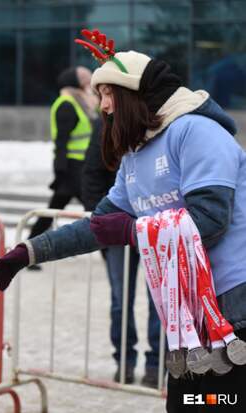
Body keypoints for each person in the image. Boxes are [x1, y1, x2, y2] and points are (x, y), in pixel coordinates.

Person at [0, 43, 246, 412]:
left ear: (133, 94)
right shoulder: (136, 156)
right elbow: (100, 226)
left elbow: (210, 220)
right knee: (188, 405)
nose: (103, 105)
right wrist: (29, 251)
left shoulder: (197, 132)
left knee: (224, 404)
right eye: (99, 94)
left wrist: (131, 231)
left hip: (234, 309)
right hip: (189, 320)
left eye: (108, 93)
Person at [81, 117, 161, 387]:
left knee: (159, 300)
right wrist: (101, 225)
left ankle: (156, 363)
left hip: (156, 227)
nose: (104, 101)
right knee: (120, 299)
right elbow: (91, 172)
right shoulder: (105, 126)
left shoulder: (159, 123)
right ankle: (124, 361)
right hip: (117, 227)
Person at [28, 66, 97, 241]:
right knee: (95, 211)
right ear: (74, 82)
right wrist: (60, 170)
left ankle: (28, 248)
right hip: (72, 168)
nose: (87, 83)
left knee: (52, 211)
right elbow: (62, 141)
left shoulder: (81, 102)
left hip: (79, 166)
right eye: (83, 79)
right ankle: (110, 255)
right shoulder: (67, 104)